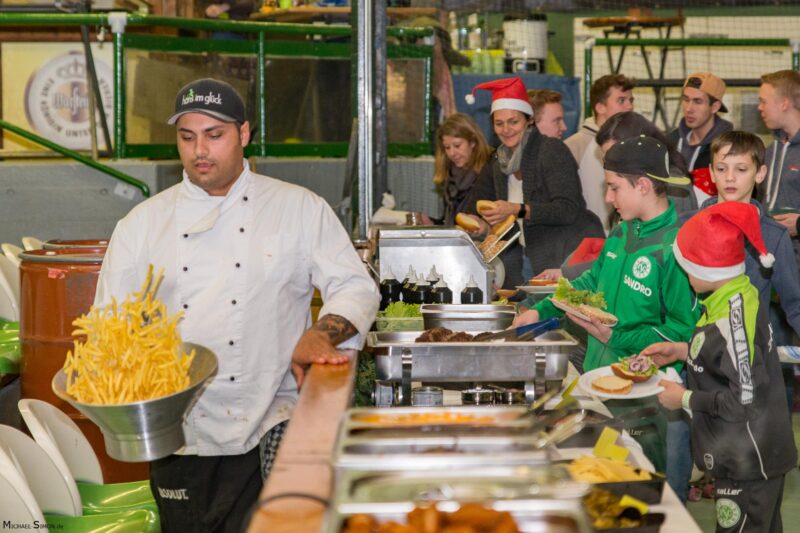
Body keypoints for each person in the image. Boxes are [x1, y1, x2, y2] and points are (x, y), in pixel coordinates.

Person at [93, 78, 380, 532]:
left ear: (244, 134)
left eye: (214, 135)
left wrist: (321, 333)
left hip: (270, 422)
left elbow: (355, 286)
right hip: (180, 435)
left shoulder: (296, 208)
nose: (199, 151)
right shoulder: (142, 225)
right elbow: (109, 325)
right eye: (187, 137)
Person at [514, 136, 698, 472]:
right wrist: (540, 311)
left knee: (640, 482)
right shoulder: (620, 233)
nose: (608, 198)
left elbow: (680, 331)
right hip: (597, 381)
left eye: (614, 187)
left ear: (643, 185)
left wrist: (616, 339)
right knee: (602, 475)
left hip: (642, 398)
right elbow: (587, 285)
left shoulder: (675, 248)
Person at [650, 201, 797, 533]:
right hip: (746, 455)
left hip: (749, 462)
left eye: (688, 267)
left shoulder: (733, 319)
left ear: (706, 269)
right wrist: (682, 351)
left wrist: (683, 398)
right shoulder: (734, 293)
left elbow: (744, 398)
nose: (686, 276)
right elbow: (732, 359)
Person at [463, 77, 604, 289]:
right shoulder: (498, 160)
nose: (506, 129)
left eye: (514, 122)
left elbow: (567, 209)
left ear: (529, 120)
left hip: (569, 257)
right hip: (528, 259)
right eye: (499, 123)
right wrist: (480, 224)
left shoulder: (551, 150)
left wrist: (516, 209)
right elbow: (477, 203)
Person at [565, 74, 635, 231]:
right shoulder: (574, 146)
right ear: (600, 107)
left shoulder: (636, 143)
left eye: (631, 100)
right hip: (589, 238)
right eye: (621, 100)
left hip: (626, 237)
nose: (629, 106)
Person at [668, 73, 734, 206]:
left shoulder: (730, 148)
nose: (689, 109)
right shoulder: (670, 142)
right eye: (686, 99)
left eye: (698, 102)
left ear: (715, 107)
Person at [758, 69, 800, 265]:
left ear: (784, 103)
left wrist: (798, 225)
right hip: (772, 256)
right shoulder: (772, 149)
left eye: (764, 101)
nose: (759, 107)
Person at [429, 113, 492, 226]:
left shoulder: (489, 170)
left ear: (472, 142)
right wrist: (431, 222)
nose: (452, 153)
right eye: (447, 147)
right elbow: (450, 223)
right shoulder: (450, 175)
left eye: (457, 146)